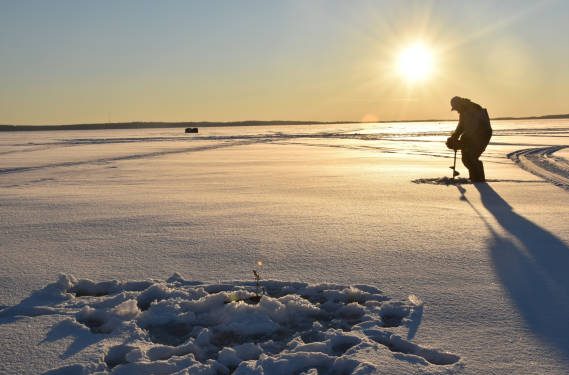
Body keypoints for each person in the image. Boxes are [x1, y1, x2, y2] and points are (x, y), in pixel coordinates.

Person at [446, 96, 492, 182]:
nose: (456, 110)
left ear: (459, 104)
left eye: (456, 108)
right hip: (473, 135)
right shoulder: (464, 111)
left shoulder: (472, 109)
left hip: (483, 134)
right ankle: (475, 178)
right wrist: (455, 135)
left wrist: (463, 141)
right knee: (467, 158)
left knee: (471, 157)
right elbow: (461, 125)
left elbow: (473, 127)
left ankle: (479, 180)